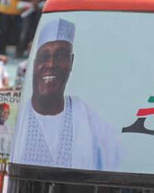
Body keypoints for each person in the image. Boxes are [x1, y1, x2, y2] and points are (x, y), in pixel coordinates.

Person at [12, 19, 123, 170]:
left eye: (60, 55)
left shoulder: (92, 123)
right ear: (34, 63)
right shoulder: (15, 119)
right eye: (44, 56)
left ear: (71, 62)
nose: (51, 64)